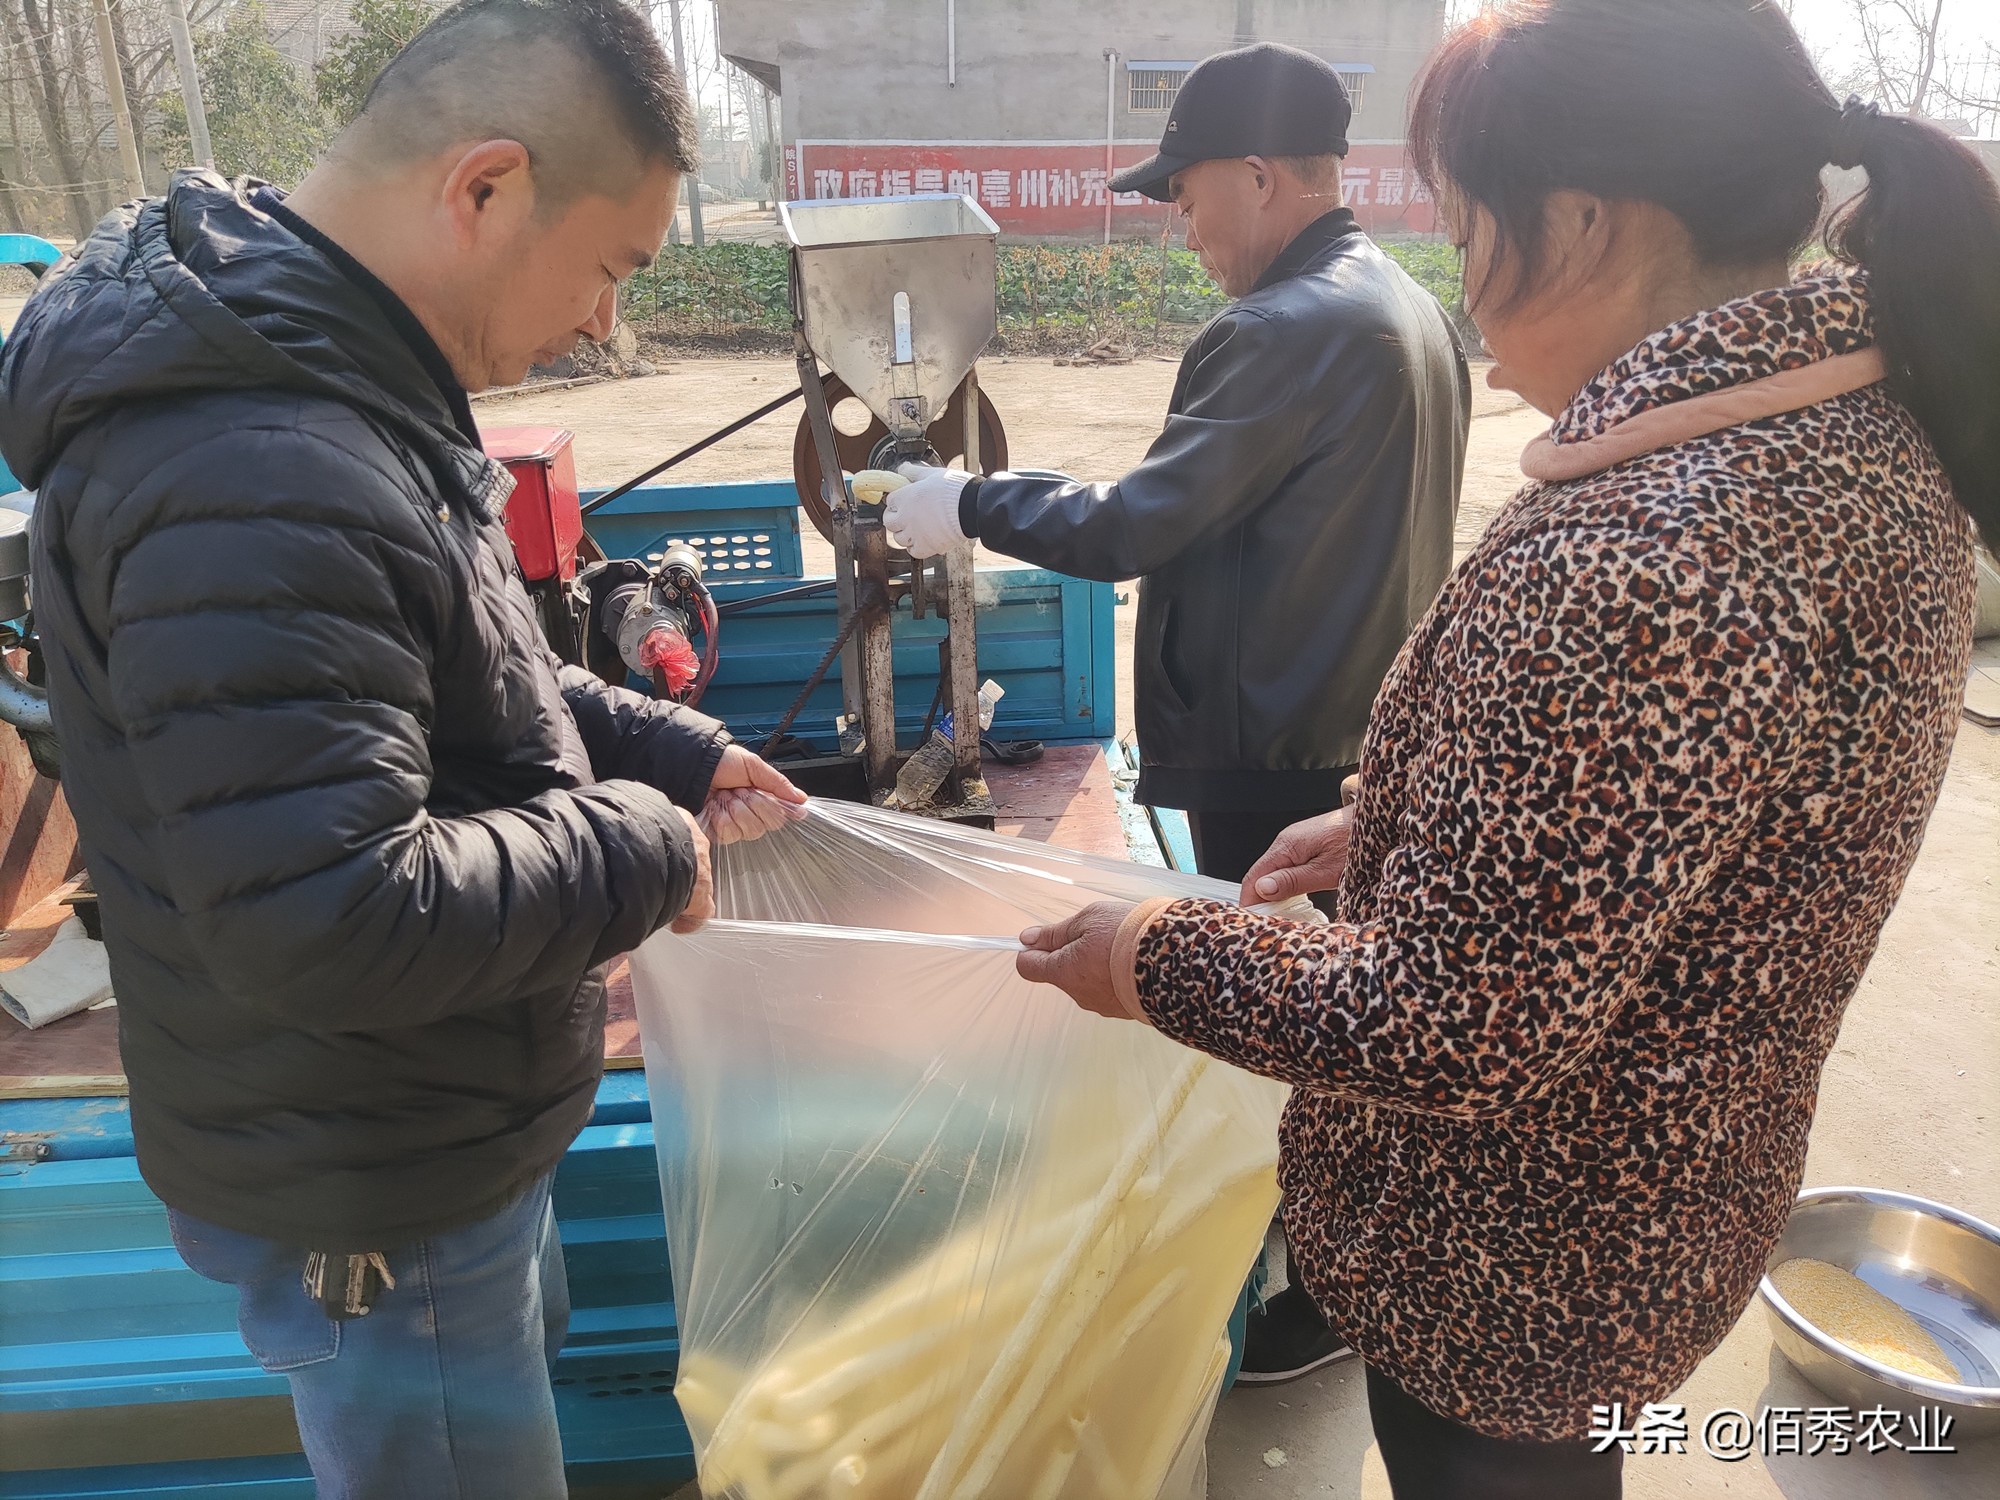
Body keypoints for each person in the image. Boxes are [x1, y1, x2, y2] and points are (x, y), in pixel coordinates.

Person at [1013, 0, 1997, 1495]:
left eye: (1473, 235)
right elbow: (1681, 809)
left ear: (1585, 222)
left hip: (1515, 1266)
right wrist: (1406, 817)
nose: (1469, 299)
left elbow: (1454, 1024)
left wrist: (1152, 953)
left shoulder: (1649, 554)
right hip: (1666, 1202)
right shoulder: (1850, 449)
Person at [0, 2, 805, 1495]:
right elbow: (335, 911)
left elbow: (450, 675)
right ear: (486, 187)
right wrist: (645, 844)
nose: (603, 325)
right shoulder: (250, 461)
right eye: (612, 269)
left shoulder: (338, 381)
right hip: (371, 1173)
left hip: (436, 1121)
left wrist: (667, 750)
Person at [886, 42, 1469, 1379]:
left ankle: (1323, 1292)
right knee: (1348, 1015)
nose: (1183, 227)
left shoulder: (1278, 329)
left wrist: (967, 501)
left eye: (1188, 194)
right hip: (1361, 735)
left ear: (1260, 177)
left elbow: (1138, 523)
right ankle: (1338, 1265)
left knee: (1286, 1020)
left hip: (1273, 746)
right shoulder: (1407, 305)